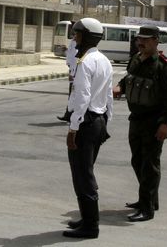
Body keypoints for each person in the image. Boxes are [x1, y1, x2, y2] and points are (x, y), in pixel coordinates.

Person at [114, 25, 167, 222]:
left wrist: (166, 124)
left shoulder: (164, 67)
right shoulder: (135, 59)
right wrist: (120, 86)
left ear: (156, 41)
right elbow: (129, 78)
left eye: (147, 40)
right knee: (137, 161)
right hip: (136, 119)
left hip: (153, 121)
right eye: (139, 39)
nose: (141, 43)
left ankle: (147, 208)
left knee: (149, 165)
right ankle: (149, 199)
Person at [63, 18, 113, 239]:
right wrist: (105, 120)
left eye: (78, 34)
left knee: (83, 175)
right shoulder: (104, 60)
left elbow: (82, 97)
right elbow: (109, 95)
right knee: (85, 171)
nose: (75, 38)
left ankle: (91, 226)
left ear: (88, 37)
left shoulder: (85, 62)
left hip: (86, 122)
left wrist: (74, 128)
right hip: (98, 120)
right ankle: (86, 218)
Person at [57, 21, 77, 122]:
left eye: (73, 28)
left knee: (73, 95)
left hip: (75, 73)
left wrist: (72, 73)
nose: (71, 30)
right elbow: (70, 55)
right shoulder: (74, 41)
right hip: (73, 70)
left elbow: (75, 58)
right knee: (72, 95)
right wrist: (65, 50)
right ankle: (68, 115)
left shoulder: (77, 42)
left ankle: (70, 116)